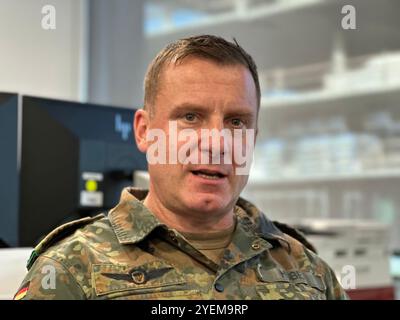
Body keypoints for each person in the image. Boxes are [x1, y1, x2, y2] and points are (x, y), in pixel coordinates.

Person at [14, 35, 348, 300]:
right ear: (144, 132)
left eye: (236, 122)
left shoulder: (307, 271)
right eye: (190, 117)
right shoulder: (71, 269)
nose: (217, 143)